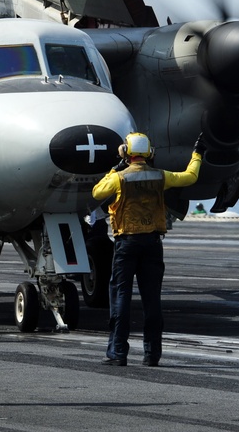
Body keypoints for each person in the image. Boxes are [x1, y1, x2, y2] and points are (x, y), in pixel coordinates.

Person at [91, 132, 204, 367]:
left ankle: (118, 352)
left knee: (120, 296)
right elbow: (190, 177)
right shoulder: (160, 176)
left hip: (126, 243)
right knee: (152, 299)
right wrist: (197, 154)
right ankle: (152, 354)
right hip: (153, 243)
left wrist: (115, 168)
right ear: (150, 153)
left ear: (126, 152)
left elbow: (97, 193)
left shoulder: (119, 178)